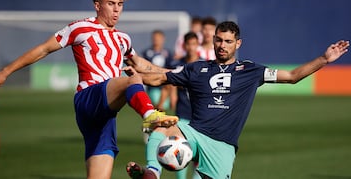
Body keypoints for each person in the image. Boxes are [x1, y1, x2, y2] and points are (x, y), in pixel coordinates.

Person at [0, 0, 178, 179]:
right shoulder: (79, 28)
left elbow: (141, 64)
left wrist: (177, 75)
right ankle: (150, 115)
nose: (116, 10)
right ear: (97, 5)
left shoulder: (123, 39)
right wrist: (6, 71)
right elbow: (43, 49)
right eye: (111, 4)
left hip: (106, 115)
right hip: (89, 98)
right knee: (133, 79)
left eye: (120, 4)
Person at [125, 21, 349, 179]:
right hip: (193, 132)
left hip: (222, 145)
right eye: (219, 40)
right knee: (160, 126)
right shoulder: (197, 68)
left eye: (228, 41)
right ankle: (152, 173)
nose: (222, 45)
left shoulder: (251, 71)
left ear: (238, 44)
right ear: (213, 40)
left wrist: (324, 59)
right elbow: (160, 77)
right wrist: (131, 78)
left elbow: (292, 77)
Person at [170, 32, 203, 179]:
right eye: (189, 44)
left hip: (200, 117)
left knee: (198, 155)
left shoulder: (204, 65)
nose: (191, 47)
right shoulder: (177, 65)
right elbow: (169, 83)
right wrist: (172, 95)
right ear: (184, 46)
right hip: (182, 114)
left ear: (198, 45)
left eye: (194, 44)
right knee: (180, 152)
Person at [142, 30, 173, 110]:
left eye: (159, 38)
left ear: (163, 39)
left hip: (165, 85)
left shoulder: (168, 53)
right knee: (157, 106)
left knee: (163, 107)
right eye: (155, 38)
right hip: (153, 85)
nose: (156, 40)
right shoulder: (147, 53)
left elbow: (171, 68)